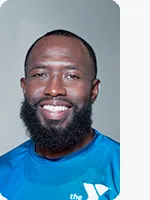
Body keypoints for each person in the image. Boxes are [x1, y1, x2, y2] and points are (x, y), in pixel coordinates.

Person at [0, 29, 120, 200]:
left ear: (93, 90)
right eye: (40, 74)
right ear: (25, 87)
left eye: (71, 76)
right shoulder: (3, 172)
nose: (54, 89)